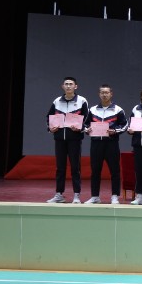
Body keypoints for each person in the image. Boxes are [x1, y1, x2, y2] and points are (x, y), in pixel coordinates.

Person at [46, 76, 89, 204]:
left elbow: (87, 119)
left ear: (76, 86)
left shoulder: (82, 101)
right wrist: (51, 128)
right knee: (60, 168)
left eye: (71, 84)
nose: (68, 86)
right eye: (66, 84)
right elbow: (49, 117)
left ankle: (76, 195)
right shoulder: (57, 101)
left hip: (74, 139)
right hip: (59, 139)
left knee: (75, 167)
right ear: (62, 86)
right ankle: (59, 194)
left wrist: (81, 128)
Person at [83, 84, 127, 205]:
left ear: (111, 94)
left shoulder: (118, 110)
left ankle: (115, 196)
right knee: (95, 171)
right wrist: (87, 130)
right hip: (96, 144)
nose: (104, 95)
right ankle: (95, 196)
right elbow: (85, 124)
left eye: (106, 92)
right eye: (102, 92)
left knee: (115, 171)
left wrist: (115, 131)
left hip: (111, 144)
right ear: (99, 94)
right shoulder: (92, 110)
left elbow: (124, 125)